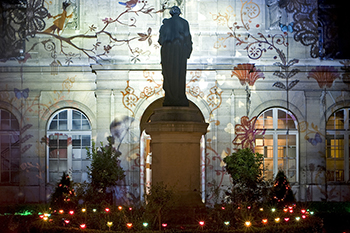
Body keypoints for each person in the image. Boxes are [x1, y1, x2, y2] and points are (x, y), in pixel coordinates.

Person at [158, 6, 192, 106]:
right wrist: (188, 52)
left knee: (168, 74)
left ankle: (169, 96)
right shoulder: (184, 23)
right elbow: (187, 38)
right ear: (179, 13)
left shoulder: (165, 24)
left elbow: (161, 40)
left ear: (171, 14)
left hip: (167, 51)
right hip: (180, 51)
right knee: (180, 74)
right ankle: (180, 96)